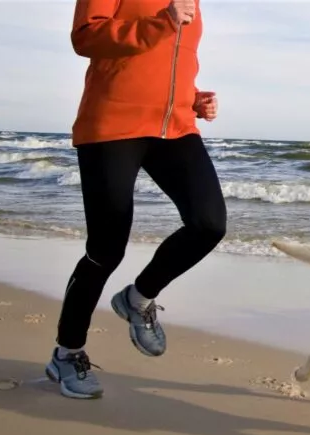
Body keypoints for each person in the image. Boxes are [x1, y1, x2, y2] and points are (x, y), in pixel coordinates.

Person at [45, 0, 226, 399]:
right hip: (113, 125)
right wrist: (160, 21)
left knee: (209, 223)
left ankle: (138, 298)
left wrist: (191, 98)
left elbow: (164, 62)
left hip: (175, 129)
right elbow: (86, 36)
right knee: (106, 249)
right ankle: (67, 352)